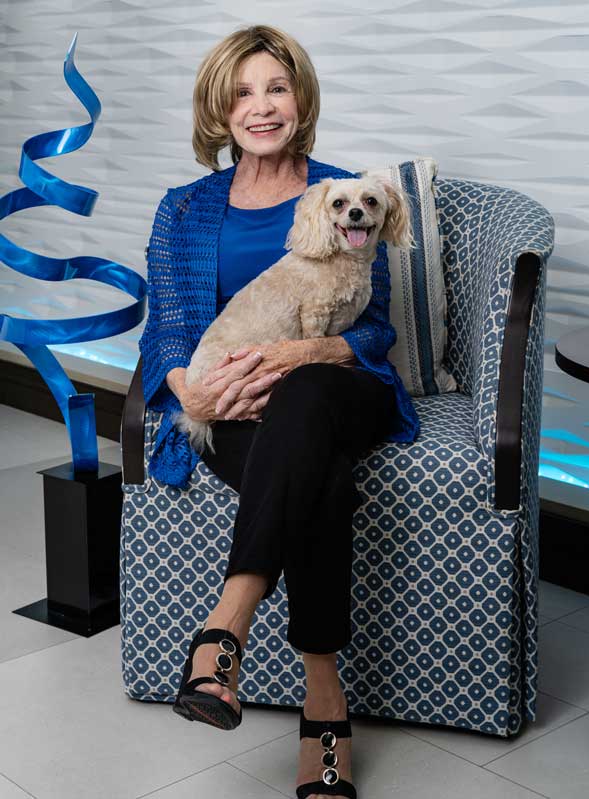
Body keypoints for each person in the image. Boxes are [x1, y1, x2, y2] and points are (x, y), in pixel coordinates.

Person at [139, 24, 420, 799]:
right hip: (228, 401)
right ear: (218, 110)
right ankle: (324, 697)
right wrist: (189, 389)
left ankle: (228, 621)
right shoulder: (184, 209)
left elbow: (372, 326)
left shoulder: (342, 193)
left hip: (338, 387)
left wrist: (302, 354)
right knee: (318, 478)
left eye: (276, 87)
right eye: (241, 93)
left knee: (307, 394)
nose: (261, 107)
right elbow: (166, 322)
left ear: (300, 98)